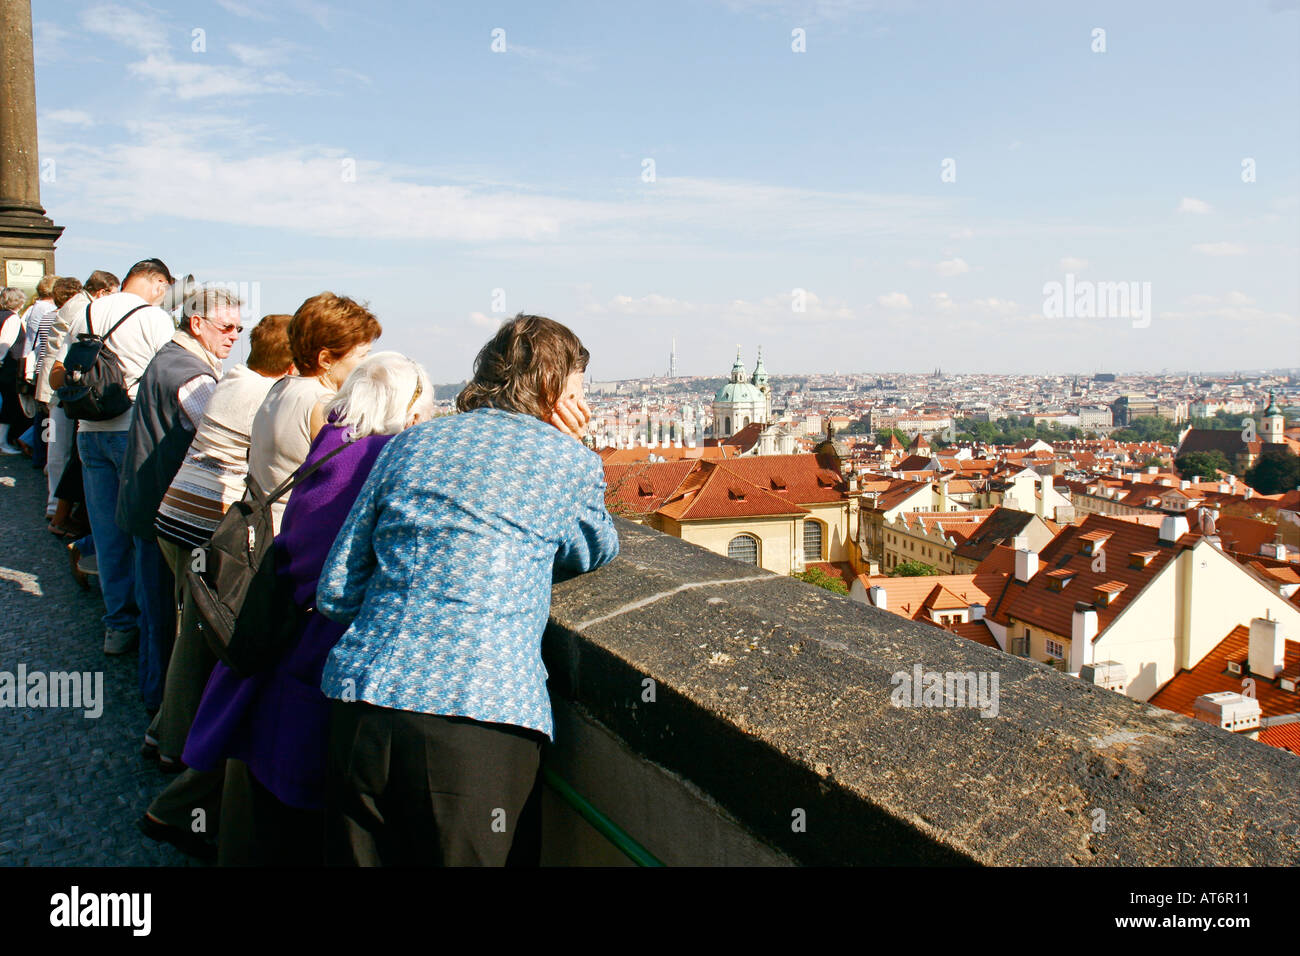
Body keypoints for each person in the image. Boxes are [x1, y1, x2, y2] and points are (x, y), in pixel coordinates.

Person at [319, 313, 619, 866]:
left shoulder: (411, 443)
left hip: (361, 705)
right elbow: (596, 547)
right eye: (578, 392)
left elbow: (336, 590)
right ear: (557, 393)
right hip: (480, 718)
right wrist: (576, 450)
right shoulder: (567, 460)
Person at [179, 352, 433, 865]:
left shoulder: (333, 440)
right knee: (304, 799)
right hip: (323, 644)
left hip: (286, 630)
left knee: (270, 788)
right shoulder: (383, 459)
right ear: (408, 410)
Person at [143, 312, 293, 791]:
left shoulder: (233, 380)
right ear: (291, 364)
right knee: (197, 638)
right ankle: (175, 747)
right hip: (205, 528)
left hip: (177, 516)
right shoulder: (265, 398)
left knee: (190, 629)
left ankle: (163, 733)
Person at [116, 286, 243, 718]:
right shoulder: (194, 376)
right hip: (164, 511)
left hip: (143, 499)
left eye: (239, 329)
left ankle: (152, 695)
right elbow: (218, 436)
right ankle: (160, 707)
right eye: (226, 327)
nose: (233, 337)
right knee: (162, 614)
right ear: (197, 323)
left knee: (152, 608)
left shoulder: (168, 357)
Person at [49, 257, 178, 658]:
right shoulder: (154, 318)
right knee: (142, 532)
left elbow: (59, 371)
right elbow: (168, 378)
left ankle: (118, 626)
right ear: (158, 282)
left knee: (107, 534)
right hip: (133, 432)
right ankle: (150, 625)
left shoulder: (87, 309)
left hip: (88, 433)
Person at [248, 292, 380, 535]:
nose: (367, 365)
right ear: (326, 359)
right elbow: (347, 483)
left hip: (261, 531)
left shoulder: (279, 388)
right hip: (294, 537)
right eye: (362, 356)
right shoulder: (325, 405)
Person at [39, 270, 119, 532]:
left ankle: (57, 509)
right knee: (64, 450)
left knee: (62, 448)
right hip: (66, 386)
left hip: (61, 382)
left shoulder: (75, 304)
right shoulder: (84, 308)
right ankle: (56, 510)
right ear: (102, 292)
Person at [0, 287, 31, 454]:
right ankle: (2, 443)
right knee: (9, 405)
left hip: (5, 367)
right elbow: (5, 343)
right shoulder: (12, 319)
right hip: (9, 368)